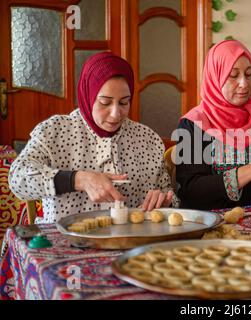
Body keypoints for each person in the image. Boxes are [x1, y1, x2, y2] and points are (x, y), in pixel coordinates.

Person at [9, 52, 177, 223]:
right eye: (105, 102)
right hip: (67, 244)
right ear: (88, 95)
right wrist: (79, 179)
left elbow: (169, 196)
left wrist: (164, 202)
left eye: (124, 102)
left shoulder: (147, 139)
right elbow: (17, 178)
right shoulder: (55, 132)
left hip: (131, 244)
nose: (115, 113)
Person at [174, 40, 251, 210]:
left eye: (248, 74)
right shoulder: (193, 124)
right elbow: (193, 190)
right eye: (233, 75)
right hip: (213, 225)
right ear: (215, 77)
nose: (244, 83)